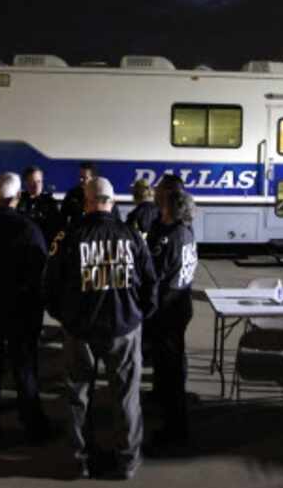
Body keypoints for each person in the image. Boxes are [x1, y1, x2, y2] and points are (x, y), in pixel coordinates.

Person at [45, 177, 158, 480]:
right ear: (112, 201)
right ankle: (127, 461)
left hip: (80, 330)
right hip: (123, 327)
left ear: (87, 202)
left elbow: (51, 284)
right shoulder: (131, 235)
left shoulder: (69, 236)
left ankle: (80, 459)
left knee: (78, 395)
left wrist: (65, 317)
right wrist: (138, 316)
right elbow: (150, 282)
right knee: (126, 396)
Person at [0, 172, 50, 449]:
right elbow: (41, 272)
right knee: (24, 366)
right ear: (17, 197)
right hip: (20, 308)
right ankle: (33, 425)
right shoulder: (29, 229)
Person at [145, 187, 197, 453]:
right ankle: (171, 416)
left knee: (169, 372)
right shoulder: (186, 230)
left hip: (167, 310)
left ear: (170, 207)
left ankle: (174, 428)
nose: (156, 203)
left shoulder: (170, 238)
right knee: (172, 367)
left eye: (161, 201)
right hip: (181, 304)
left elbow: (154, 275)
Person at [60, 162, 121, 229]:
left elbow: (117, 220)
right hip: (77, 234)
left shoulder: (106, 195)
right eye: (80, 177)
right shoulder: (72, 194)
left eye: (85, 178)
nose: (81, 180)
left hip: (98, 234)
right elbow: (62, 219)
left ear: (93, 178)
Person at [17, 165, 62, 246]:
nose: (37, 185)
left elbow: (56, 229)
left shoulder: (50, 203)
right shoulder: (18, 201)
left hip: (41, 247)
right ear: (25, 182)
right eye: (32, 182)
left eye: (39, 181)